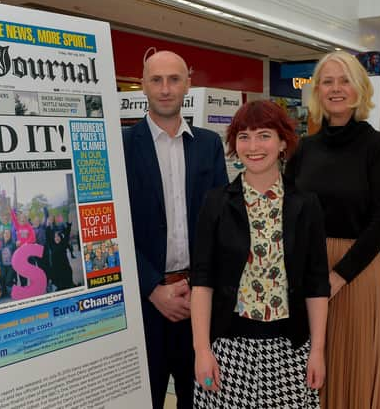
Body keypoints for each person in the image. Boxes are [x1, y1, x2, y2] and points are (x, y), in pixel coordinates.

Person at [190, 100, 329, 408]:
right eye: (244, 136)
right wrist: (202, 350)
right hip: (227, 349)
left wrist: (317, 350)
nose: (253, 146)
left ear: (282, 142)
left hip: (290, 350)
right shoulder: (215, 203)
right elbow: (202, 282)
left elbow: (317, 284)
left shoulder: (306, 205)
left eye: (264, 135)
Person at [285, 51, 380, 408]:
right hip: (307, 266)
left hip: (355, 271)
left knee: (351, 359)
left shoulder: (378, 146)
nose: (336, 89)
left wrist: (338, 275)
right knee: (306, 362)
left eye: (345, 80)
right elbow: (288, 208)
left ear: (360, 89)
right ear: (317, 91)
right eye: (328, 81)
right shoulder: (304, 148)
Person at [122, 50, 228, 409]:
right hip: (143, 304)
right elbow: (111, 228)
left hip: (197, 302)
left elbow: (220, 224)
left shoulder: (209, 145)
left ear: (188, 84)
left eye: (174, 79)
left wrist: (197, 288)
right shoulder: (120, 146)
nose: (165, 89)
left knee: (198, 399)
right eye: (156, 80)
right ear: (143, 86)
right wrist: (152, 288)